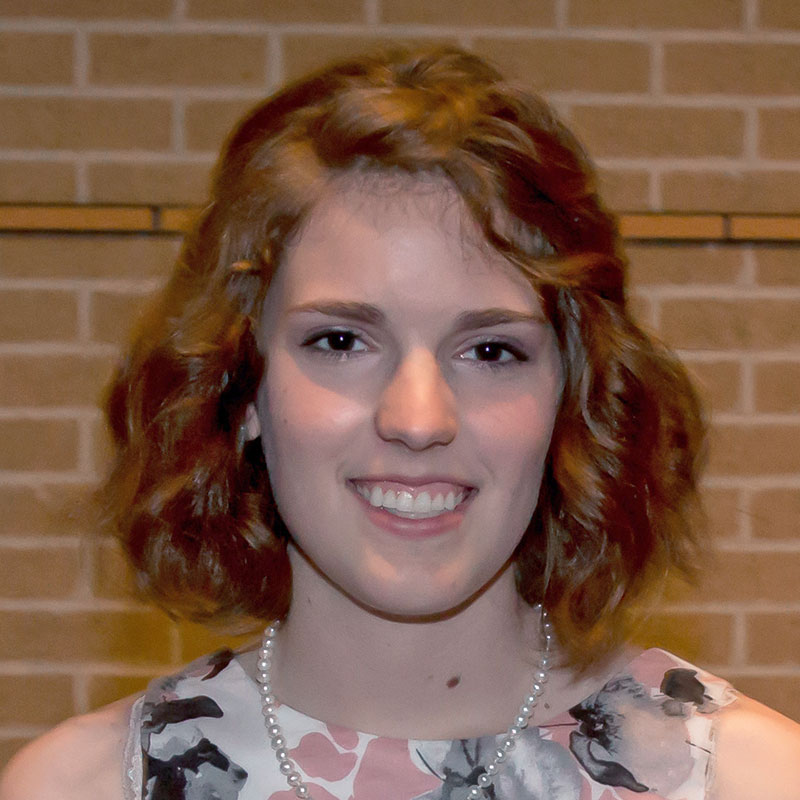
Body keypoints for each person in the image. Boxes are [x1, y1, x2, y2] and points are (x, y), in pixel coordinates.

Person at [2, 46, 799, 800]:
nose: (418, 420)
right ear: (239, 389)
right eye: (341, 342)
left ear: (573, 397)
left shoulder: (751, 781)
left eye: (490, 351)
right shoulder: (88, 786)